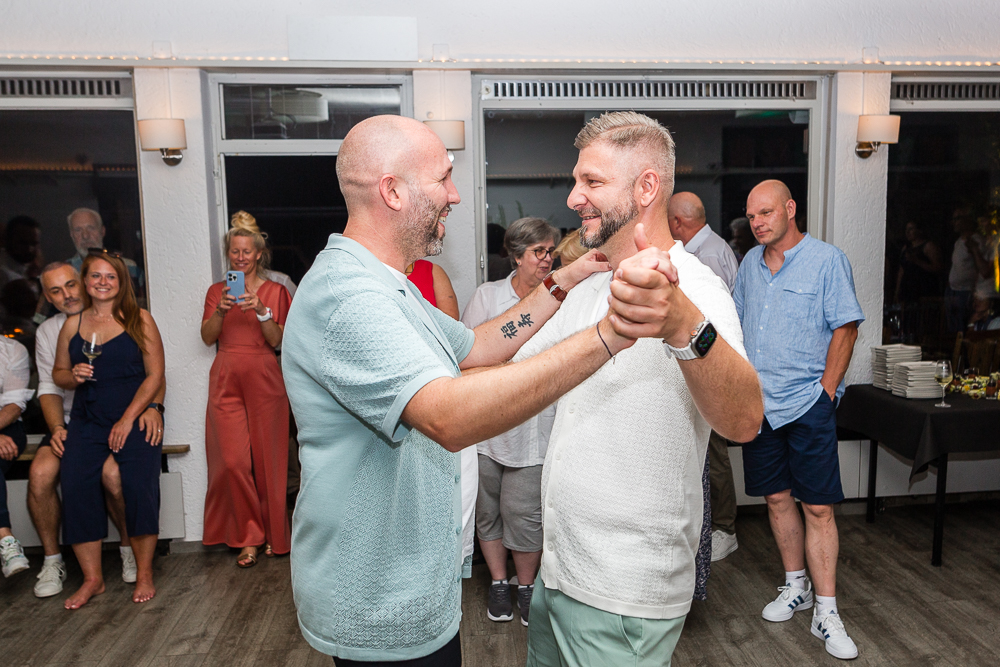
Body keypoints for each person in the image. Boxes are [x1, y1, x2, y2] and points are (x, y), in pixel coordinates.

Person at [280, 114, 669, 666]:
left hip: (412, 590)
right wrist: (611, 334)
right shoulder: (349, 298)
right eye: (443, 178)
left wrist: (563, 279)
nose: (456, 195)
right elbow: (450, 417)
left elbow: (477, 347)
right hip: (376, 597)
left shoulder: (385, 282)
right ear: (392, 190)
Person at [514, 112, 761, 667]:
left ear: (647, 186)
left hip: (624, 591)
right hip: (559, 573)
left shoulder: (695, 286)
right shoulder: (589, 285)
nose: (574, 198)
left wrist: (682, 325)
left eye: (592, 182)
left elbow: (744, 422)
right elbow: (512, 363)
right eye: (577, 181)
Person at [733, 179, 864, 660]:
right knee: (775, 497)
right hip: (760, 407)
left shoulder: (828, 260)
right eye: (751, 217)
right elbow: (737, 326)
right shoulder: (749, 263)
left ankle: (826, 611)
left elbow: (846, 328)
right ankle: (796, 586)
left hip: (807, 404)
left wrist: (826, 395)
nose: (758, 223)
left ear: (791, 209)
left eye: (766, 213)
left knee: (819, 508)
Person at [28, 262, 162, 598]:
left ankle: (144, 574)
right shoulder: (72, 324)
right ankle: (92, 579)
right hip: (88, 419)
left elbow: (155, 375)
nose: (103, 282)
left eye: (110, 276)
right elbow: (56, 374)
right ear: (86, 282)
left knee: (137, 486)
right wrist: (72, 376)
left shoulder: (139, 318)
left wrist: (130, 417)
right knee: (75, 485)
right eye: (96, 276)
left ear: (121, 282)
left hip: (132, 415)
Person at [461, 216, 561, 626]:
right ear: (517, 257)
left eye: (551, 251)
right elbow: (465, 357)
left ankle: (526, 587)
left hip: (534, 426)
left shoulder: (559, 297)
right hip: (487, 426)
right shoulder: (487, 297)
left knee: (524, 513)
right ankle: (499, 583)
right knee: (488, 512)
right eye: (539, 251)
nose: (548, 259)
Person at [201, 213, 292, 567]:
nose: (240, 257)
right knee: (233, 462)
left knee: (270, 462)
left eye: (246, 251)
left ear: (258, 254)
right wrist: (222, 311)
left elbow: (278, 341)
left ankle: (274, 535)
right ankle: (248, 536)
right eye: (234, 252)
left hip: (265, 374)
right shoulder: (216, 292)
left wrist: (263, 311)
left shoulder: (276, 291)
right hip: (226, 376)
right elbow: (208, 337)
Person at [668, 192, 741, 563]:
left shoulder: (706, 257)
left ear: (678, 223)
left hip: (709, 366)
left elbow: (715, 327)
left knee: (714, 454)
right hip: (699, 361)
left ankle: (724, 529)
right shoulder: (708, 247)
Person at [0, 336, 34, 579]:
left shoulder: (12, 350)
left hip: (6, 426)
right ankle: (5, 538)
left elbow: (14, 404)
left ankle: (6, 542)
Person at [65, 208, 143, 293]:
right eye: (78, 230)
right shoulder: (65, 272)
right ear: (72, 236)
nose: (85, 236)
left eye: (91, 228)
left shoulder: (129, 267)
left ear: (102, 231)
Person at [945, 209, 990, 332]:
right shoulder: (958, 242)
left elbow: (980, 269)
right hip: (953, 291)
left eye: (957, 219)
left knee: (963, 328)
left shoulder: (976, 240)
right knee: (953, 329)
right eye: (953, 219)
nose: (954, 222)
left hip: (965, 292)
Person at [0, 216, 42, 292]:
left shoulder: (30, 271)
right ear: (7, 240)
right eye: (23, 243)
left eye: (34, 243)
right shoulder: (4, 275)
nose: (30, 249)